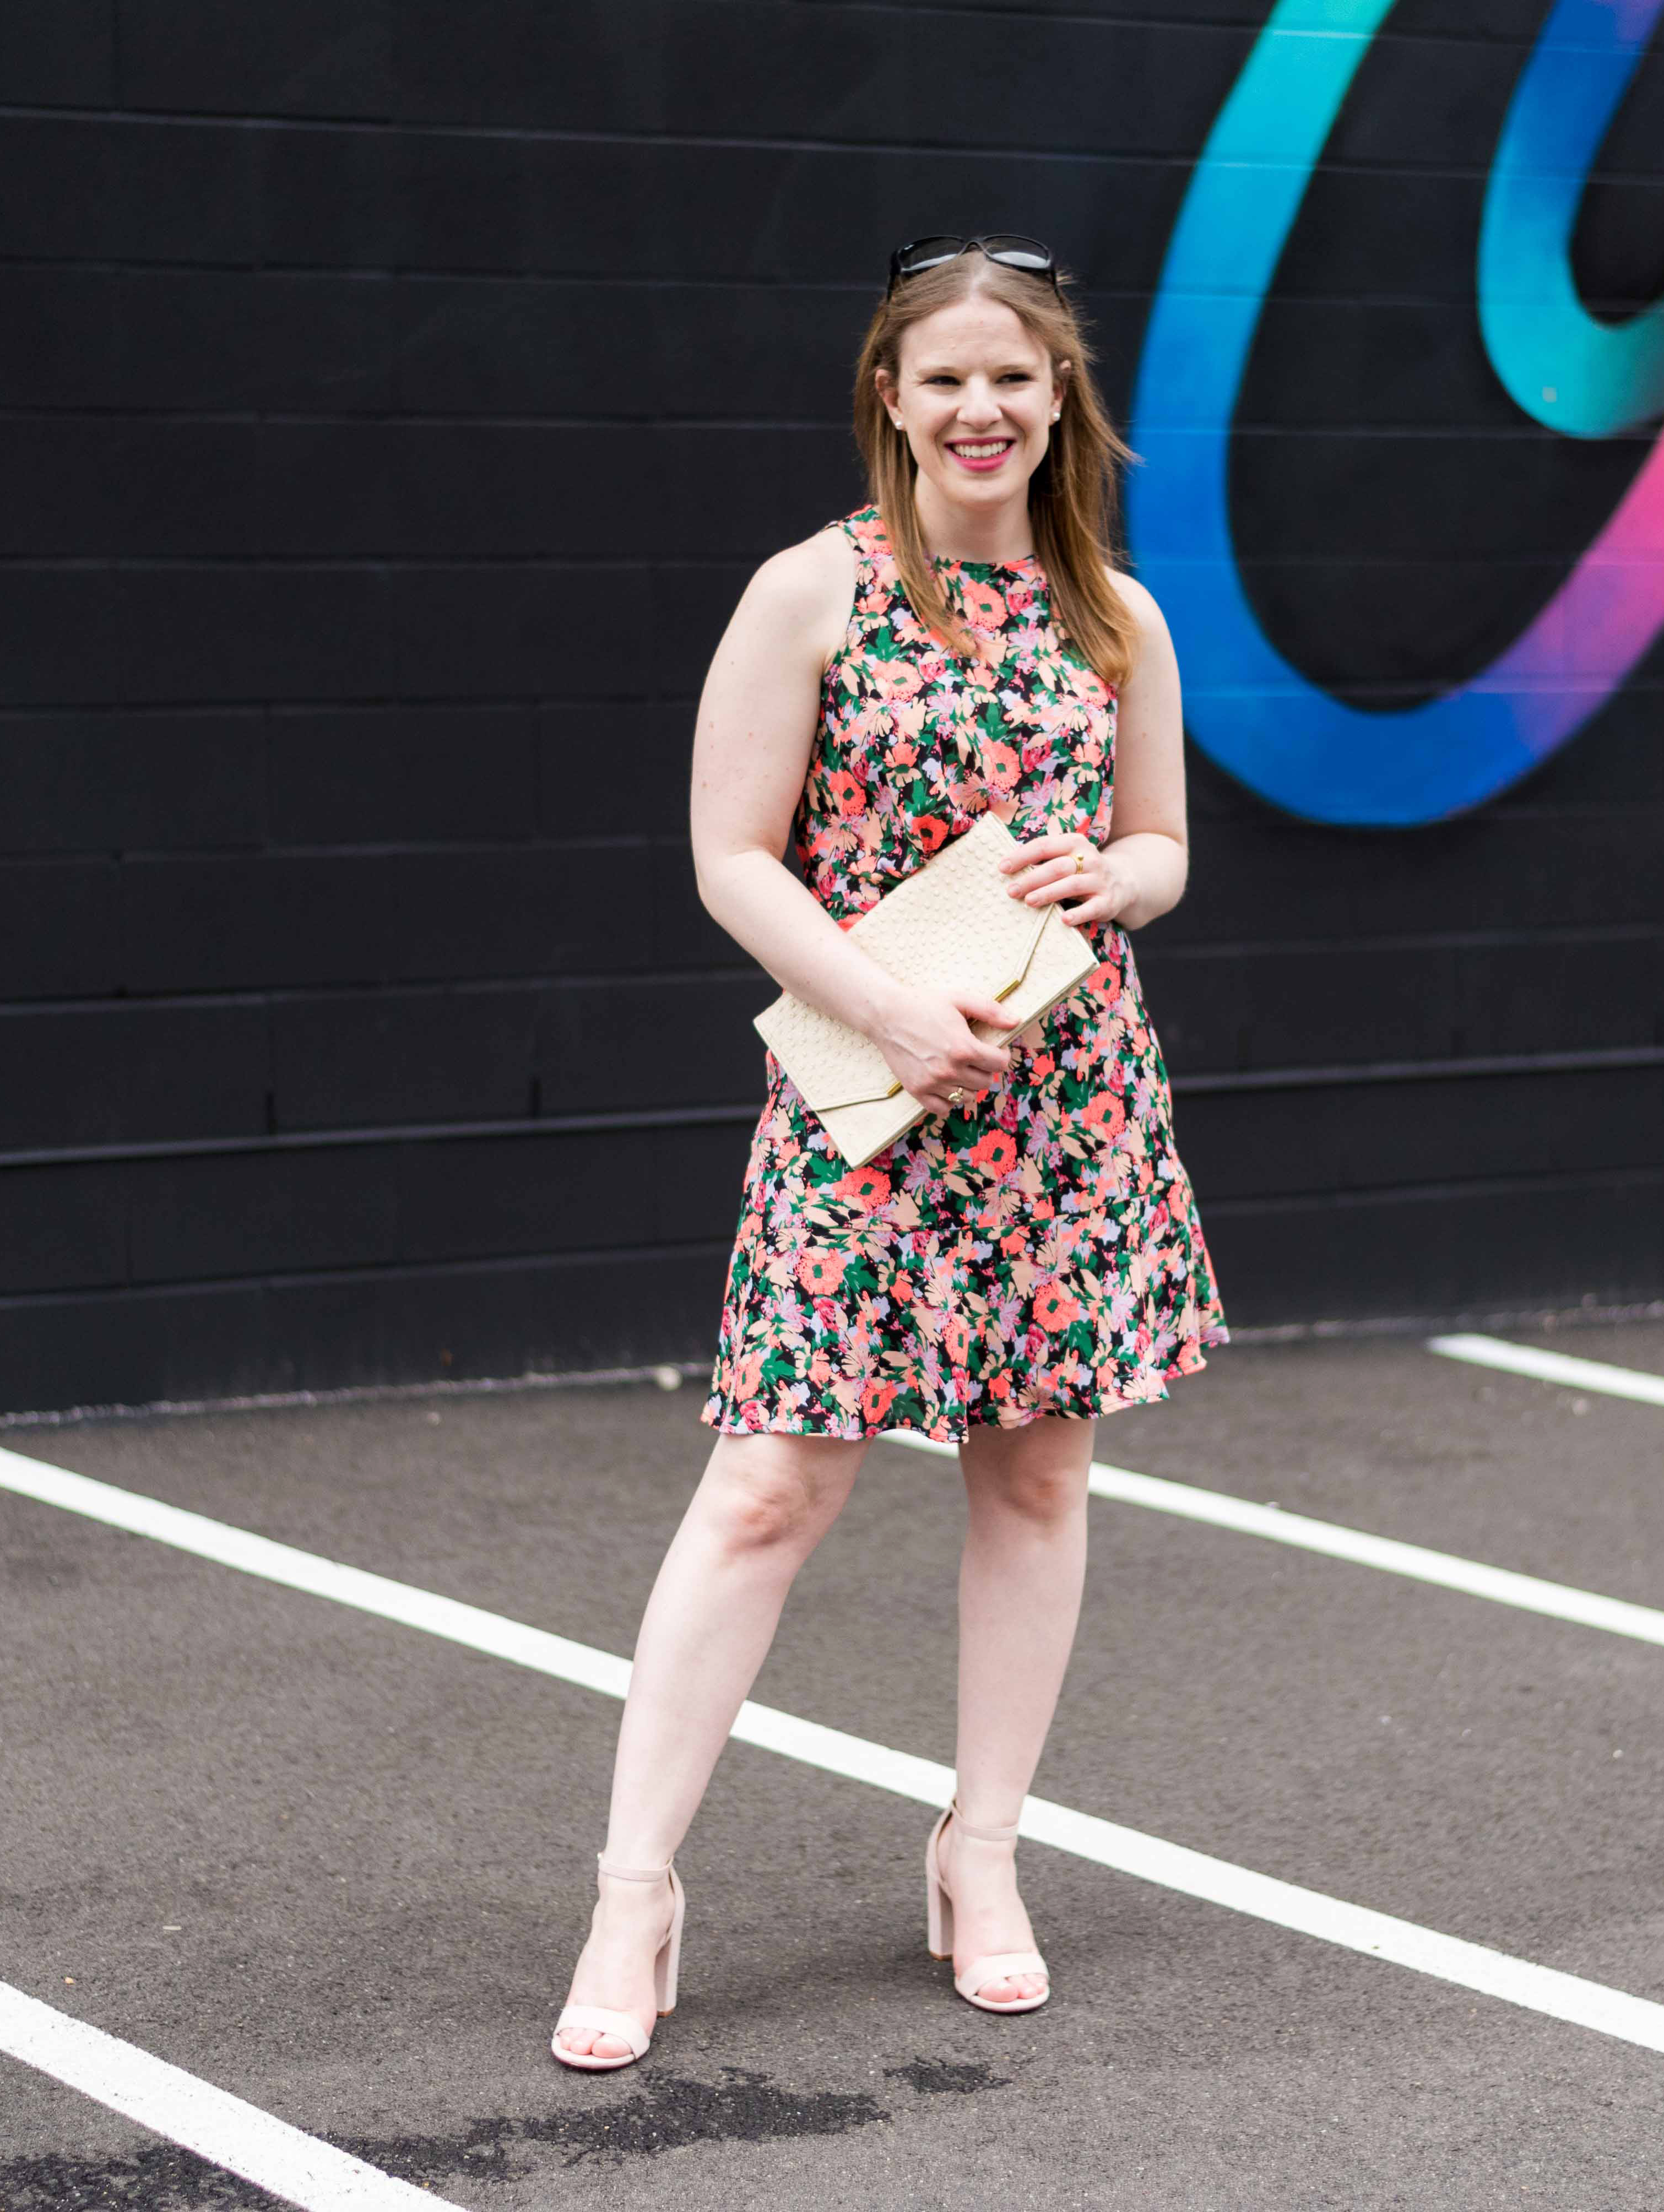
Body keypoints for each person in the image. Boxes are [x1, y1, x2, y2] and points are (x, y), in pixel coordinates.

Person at [549, 235, 1230, 2069]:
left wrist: (1121, 878)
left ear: (1060, 394)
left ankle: (979, 1850)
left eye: (1014, 376)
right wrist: (889, 1012)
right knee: (769, 1488)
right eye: (944, 378)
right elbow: (732, 855)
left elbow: (1160, 842)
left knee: (1034, 1482)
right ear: (891, 398)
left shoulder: (1118, 614)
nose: (982, 408)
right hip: (866, 1103)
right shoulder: (814, 592)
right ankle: (637, 1888)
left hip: (1066, 1104)